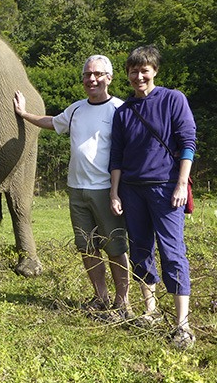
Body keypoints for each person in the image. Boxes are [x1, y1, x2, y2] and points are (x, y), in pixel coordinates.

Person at [14, 55, 130, 321]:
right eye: (88, 75)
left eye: (98, 74)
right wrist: (23, 114)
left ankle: (123, 303)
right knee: (87, 247)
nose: (92, 79)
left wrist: (118, 190)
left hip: (106, 190)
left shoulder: (119, 110)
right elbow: (52, 122)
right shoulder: (76, 109)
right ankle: (100, 298)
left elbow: (128, 151)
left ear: (109, 78)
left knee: (115, 247)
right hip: (76, 190)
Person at [109, 45, 196, 349]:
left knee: (172, 252)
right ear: (128, 75)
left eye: (144, 70)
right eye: (133, 71)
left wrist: (181, 184)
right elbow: (116, 156)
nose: (139, 76)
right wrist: (115, 192)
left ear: (155, 70)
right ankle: (151, 310)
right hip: (131, 190)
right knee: (141, 251)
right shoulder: (123, 112)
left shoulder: (174, 100)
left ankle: (182, 324)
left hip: (166, 188)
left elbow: (188, 142)